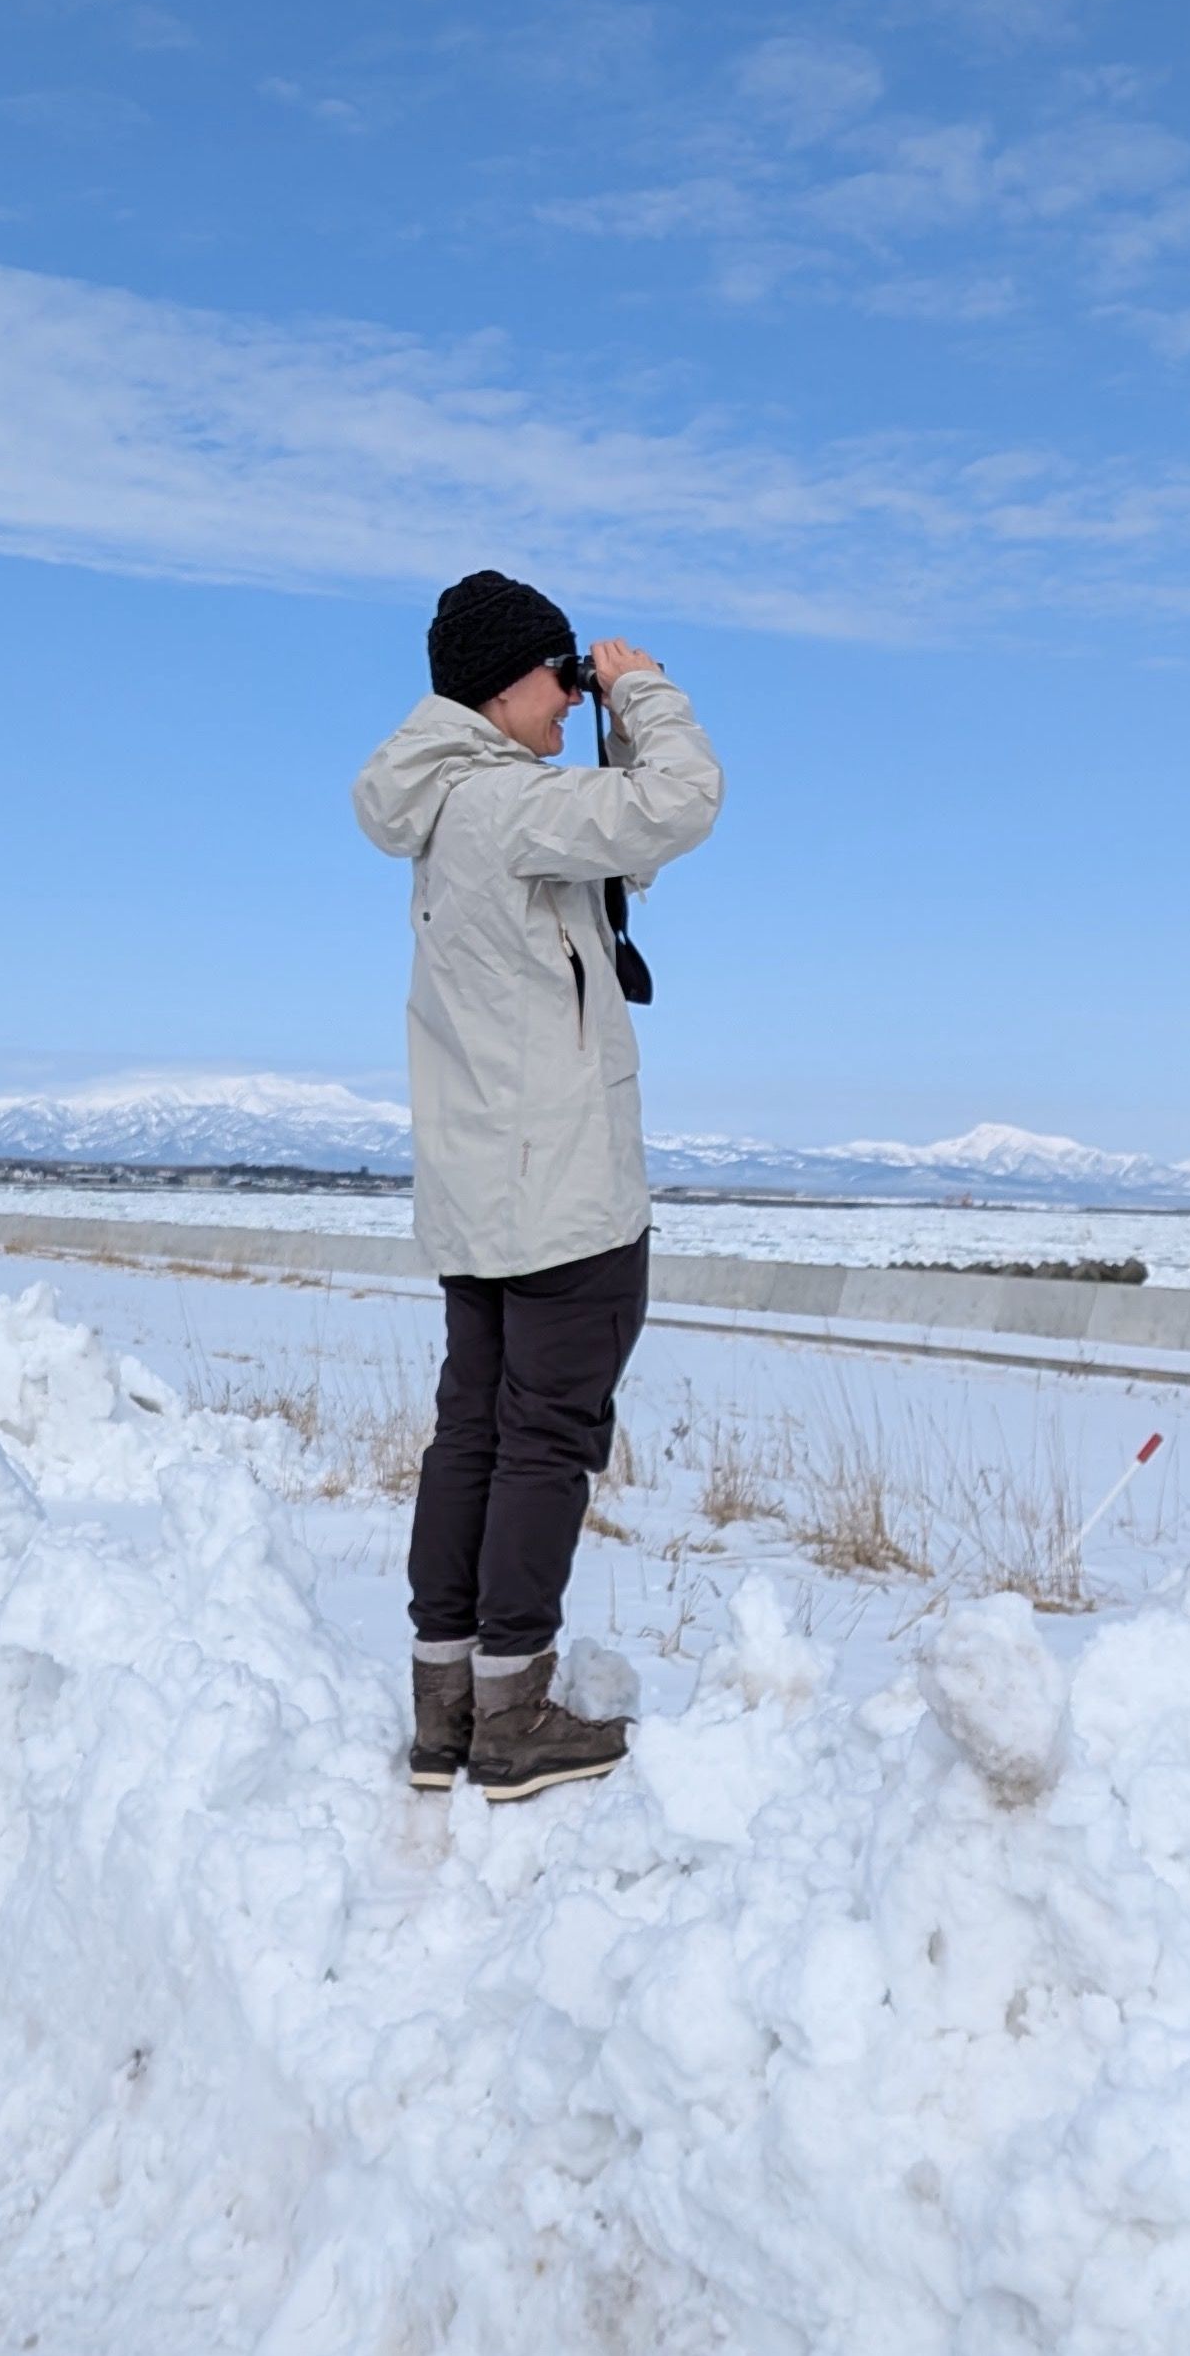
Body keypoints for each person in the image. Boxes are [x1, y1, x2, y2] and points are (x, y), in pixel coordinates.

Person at [351, 570, 723, 1802]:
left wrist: (605, 722)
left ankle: (447, 1706)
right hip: (559, 1193)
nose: (568, 701)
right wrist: (645, 691)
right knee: (544, 1440)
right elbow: (679, 805)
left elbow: (619, 851)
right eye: (556, 679)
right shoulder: (506, 809)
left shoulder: (457, 810)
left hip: (480, 1191)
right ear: (502, 680)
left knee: (475, 1431)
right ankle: (514, 1715)